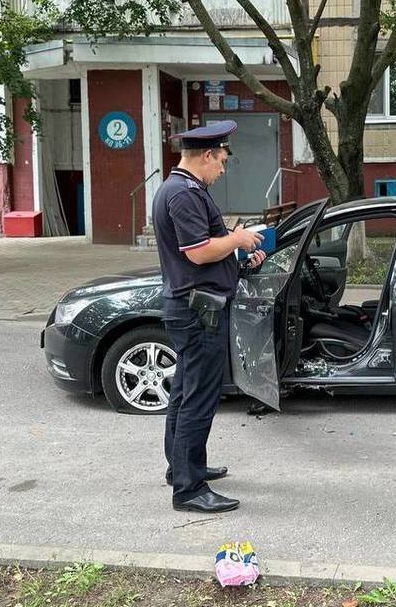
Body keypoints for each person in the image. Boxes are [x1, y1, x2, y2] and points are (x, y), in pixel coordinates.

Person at [153, 120, 266, 514]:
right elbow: (198, 252)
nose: (223, 169)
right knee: (198, 398)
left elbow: (206, 250)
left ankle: (183, 467)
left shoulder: (184, 189)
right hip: (197, 311)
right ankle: (188, 489)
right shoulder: (184, 194)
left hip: (192, 306)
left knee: (185, 393)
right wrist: (236, 238)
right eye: (221, 161)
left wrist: (237, 254)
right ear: (206, 156)